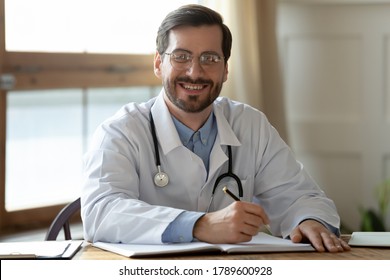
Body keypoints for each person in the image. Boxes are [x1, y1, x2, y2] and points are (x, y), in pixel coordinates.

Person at [81, 4, 350, 253]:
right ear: (158, 64)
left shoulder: (250, 124)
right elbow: (101, 212)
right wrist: (200, 225)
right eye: (181, 56)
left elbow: (299, 195)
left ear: (225, 70)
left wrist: (309, 219)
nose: (195, 72)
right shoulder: (120, 132)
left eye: (210, 58)